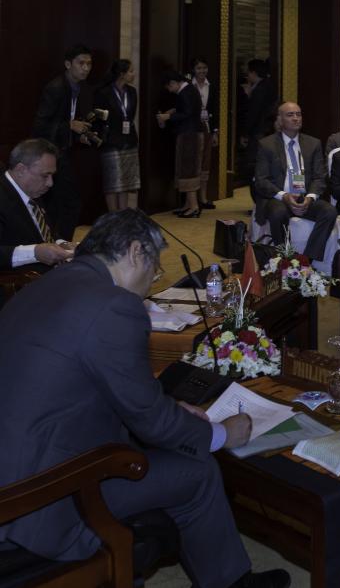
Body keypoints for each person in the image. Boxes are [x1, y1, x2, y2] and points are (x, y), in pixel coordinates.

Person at [0, 209, 289, 588]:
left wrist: (166, 409)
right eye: (155, 269)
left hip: (17, 464)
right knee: (197, 471)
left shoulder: (45, 285)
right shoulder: (113, 305)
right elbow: (149, 419)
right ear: (136, 251)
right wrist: (221, 434)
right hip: (40, 500)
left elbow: (89, 385)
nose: (153, 279)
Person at [253, 102, 338, 261]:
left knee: (329, 211)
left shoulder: (313, 144)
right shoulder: (267, 144)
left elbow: (320, 177)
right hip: (278, 198)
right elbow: (261, 181)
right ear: (280, 120)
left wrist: (309, 198)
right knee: (278, 213)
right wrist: (284, 196)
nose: (296, 118)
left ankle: (307, 261)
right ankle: (286, 259)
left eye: (298, 114)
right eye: (290, 115)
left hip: (304, 196)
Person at [32, 44, 97, 240]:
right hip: (49, 155)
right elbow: (40, 126)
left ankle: (57, 243)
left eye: (89, 63)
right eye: (81, 63)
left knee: (58, 204)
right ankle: (61, 245)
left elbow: (68, 123)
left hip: (62, 152)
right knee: (69, 203)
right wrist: (69, 125)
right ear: (68, 64)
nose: (86, 68)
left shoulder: (79, 88)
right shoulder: (56, 88)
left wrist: (80, 135)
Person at [1, 139, 74, 272]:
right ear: (21, 170)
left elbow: (44, 234)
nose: (50, 183)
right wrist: (34, 253)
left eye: (52, 176)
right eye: (45, 176)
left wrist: (63, 244)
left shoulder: (32, 191)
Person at [92, 59, 141, 212]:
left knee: (125, 182)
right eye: (131, 71)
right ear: (122, 74)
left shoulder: (132, 92)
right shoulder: (104, 93)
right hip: (110, 141)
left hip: (129, 139)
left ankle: (123, 214)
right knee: (113, 182)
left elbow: (130, 115)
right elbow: (98, 119)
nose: (133, 74)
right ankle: (113, 217)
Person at [156, 71, 204, 218]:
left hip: (189, 135)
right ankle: (188, 204)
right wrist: (175, 110)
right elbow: (186, 109)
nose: (170, 91)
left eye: (169, 88)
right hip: (192, 134)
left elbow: (187, 113)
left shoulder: (185, 92)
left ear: (173, 83)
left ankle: (194, 206)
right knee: (186, 168)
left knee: (187, 168)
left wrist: (168, 116)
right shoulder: (189, 90)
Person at [237, 59, 278, 185]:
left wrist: (245, 133)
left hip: (258, 131)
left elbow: (253, 113)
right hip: (267, 130)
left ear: (254, 73)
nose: (248, 77)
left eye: (248, 73)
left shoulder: (259, 90)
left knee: (255, 165)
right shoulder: (269, 85)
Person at [189, 57, 220, 210]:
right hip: (193, 129)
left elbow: (215, 109)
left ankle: (204, 197)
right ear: (193, 70)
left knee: (205, 162)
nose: (202, 71)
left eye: (204, 68)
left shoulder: (211, 86)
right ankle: (192, 199)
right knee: (194, 162)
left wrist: (215, 132)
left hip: (207, 127)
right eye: (199, 68)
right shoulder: (189, 86)